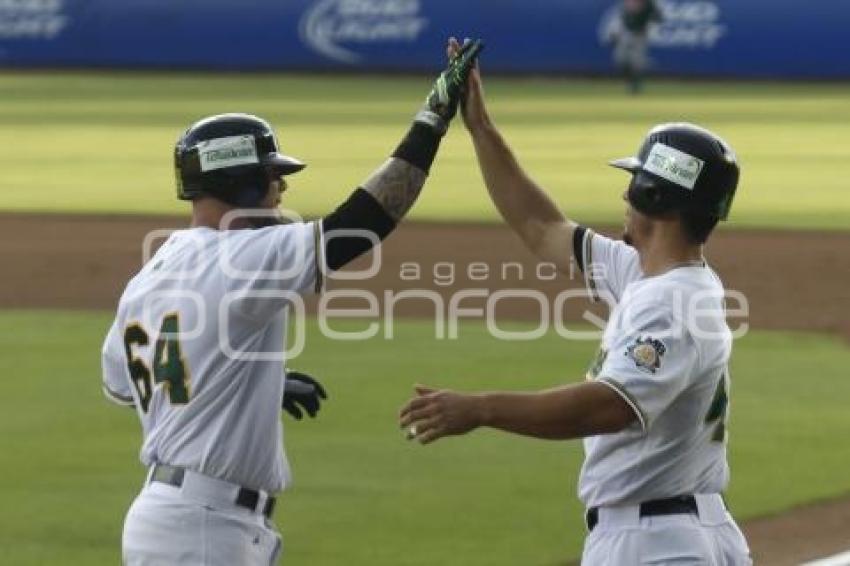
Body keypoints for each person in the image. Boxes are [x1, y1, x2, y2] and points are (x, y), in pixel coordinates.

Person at [101, 40, 482, 565]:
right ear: (235, 180)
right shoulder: (243, 254)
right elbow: (361, 225)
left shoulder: (155, 270)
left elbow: (133, 385)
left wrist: (250, 380)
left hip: (180, 517)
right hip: (205, 529)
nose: (281, 186)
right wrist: (433, 118)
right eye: (270, 174)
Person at [399, 38, 751, 565]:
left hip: (654, 542)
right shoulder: (649, 274)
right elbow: (541, 227)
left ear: (654, 199)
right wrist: (480, 127)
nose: (624, 194)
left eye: (635, 181)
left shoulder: (673, 303)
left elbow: (608, 405)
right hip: (674, 530)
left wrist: (481, 408)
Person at [607, 0, 663, 94]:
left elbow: (658, 17)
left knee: (636, 62)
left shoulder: (649, 3)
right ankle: (631, 81)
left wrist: (649, 22)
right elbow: (621, 17)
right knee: (620, 59)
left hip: (640, 34)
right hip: (625, 33)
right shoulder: (626, 4)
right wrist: (615, 33)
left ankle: (635, 86)